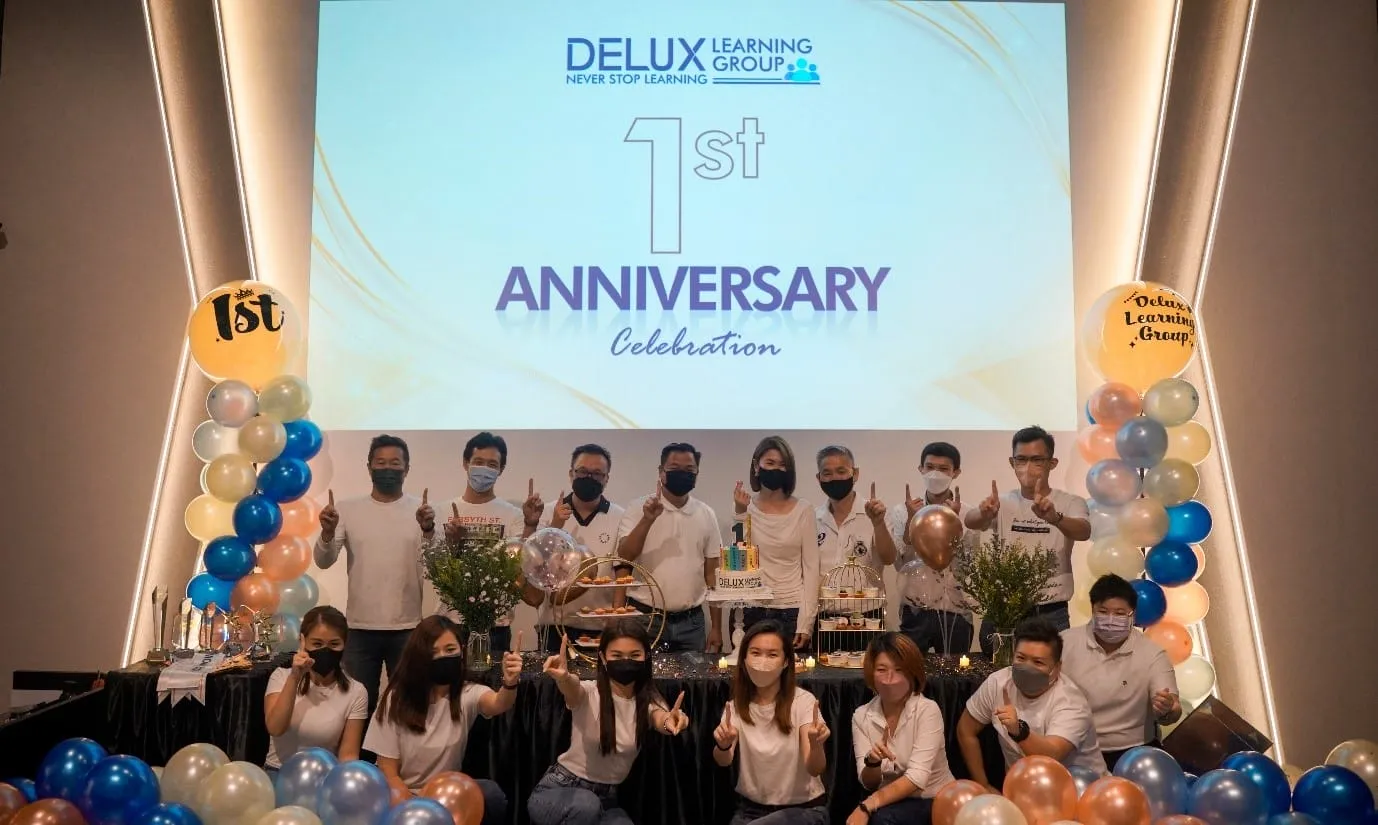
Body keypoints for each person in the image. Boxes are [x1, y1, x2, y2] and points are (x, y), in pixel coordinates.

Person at [315, 434, 433, 718]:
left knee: (406, 706)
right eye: (380, 462)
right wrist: (327, 533)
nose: (387, 469)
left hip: (407, 627)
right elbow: (323, 560)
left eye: (395, 463)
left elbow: (435, 567)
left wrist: (429, 531)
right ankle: (357, 750)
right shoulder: (347, 509)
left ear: (406, 469)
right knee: (357, 709)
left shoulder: (422, 512)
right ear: (369, 467)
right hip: (359, 628)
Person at [363, 615, 522, 824]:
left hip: (447, 795)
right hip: (403, 797)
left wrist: (510, 682)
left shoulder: (467, 693)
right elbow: (388, 772)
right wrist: (417, 810)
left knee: (491, 794)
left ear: (461, 651)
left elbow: (499, 703)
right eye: (433, 652)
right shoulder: (396, 698)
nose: (442, 657)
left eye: (450, 650)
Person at [527, 621, 690, 825]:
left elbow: (661, 718)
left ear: (646, 657)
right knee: (586, 806)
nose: (626, 662)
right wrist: (564, 678)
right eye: (617, 655)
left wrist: (672, 721)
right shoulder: (590, 692)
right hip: (559, 790)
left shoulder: (647, 701)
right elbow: (572, 689)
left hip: (606, 800)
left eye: (634, 655)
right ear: (603, 658)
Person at [964, 426, 1090, 638]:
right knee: (998, 659)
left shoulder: (1070, 502)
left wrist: (1055, 518)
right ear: (1012, 462)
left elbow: (1084, 531)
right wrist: (984, 513)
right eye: (1021, 460)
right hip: (1003, 607)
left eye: (1037, 460)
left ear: (1052, 463)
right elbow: (970, 521)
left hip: (1050, 611)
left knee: (1051, 660)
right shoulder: (1002, 502)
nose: (1028, 467)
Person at [956, 618, 1106, 788]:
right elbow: (965, 729)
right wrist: (983, 785)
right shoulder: (998, 683)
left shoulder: (1071, 703)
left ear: (1057, 668)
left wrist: (1018, 731)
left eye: (1038, 662)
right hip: (1023, 791)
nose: (1027, 667)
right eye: (1021, 658)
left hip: (1081, 790)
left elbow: (1052, 755)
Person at [1059, 574, 1182, 771]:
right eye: (1103, 611)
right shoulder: (1064, 643)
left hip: (1134, 752)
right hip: (1075, 748)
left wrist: (1167, 709)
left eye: (1119, 613)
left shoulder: (1152, 653)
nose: (1110, 620)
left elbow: (1173, 709)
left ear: (1132, 614)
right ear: (1092, 609)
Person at [713, 620, 829, 825]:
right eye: (755, 653)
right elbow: (724, 760)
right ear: (744, 659)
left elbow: (815, 769)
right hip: (749, 811)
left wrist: (816, 745)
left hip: (802, 810)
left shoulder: (803, 701)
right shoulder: (735, 706)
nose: (762, 662)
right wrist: (722, 744)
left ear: (786, 662)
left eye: (772, 655)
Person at [616, 442, 724, 652]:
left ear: (697, 474)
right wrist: (647, 519)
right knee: (642, 673)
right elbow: (624, 556)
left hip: (691, 622)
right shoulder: (638, 508)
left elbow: (712, 574)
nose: (682, 474)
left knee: (693, 674)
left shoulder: (706, 514)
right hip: (645, 618)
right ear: (661, 472)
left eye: (689, 470)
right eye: (674, 469)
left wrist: (717, 628)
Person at [444, 431, 542, 654]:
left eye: (492, 465)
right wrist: (452, 544)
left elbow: (521, 564)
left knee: (494, 676)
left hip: (497, 624)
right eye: (478, 462)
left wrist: (530, 524)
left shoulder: (514, 515)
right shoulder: (442, 510)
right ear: (465, 463)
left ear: (501, 469)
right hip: (451, 622)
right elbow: (434, 565)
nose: (484, 469)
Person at [848, 633, 955, 825]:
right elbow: (868, 783)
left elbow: (916, 778)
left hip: (935, 798)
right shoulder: (861, 716)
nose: (889, 679)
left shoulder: (927, 710)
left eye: (899, 670)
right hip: (890, 801)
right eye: (882, 670)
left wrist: (866, 806)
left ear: (912, 673)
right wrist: (872, 763)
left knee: (881, 820)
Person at [529, 444, 627, 653]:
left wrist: (616, 616)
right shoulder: (547, 511)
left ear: (607, 479)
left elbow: (622, 567)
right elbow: (535, 565)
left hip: (601, 625)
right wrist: (555, 525)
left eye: (597, 474)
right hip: (554, 624)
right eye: (582, 471)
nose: (589, 478)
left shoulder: (620, 516)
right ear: (571, 473)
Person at [733, 436, 820, 649]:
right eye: (770, 463)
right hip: (751, 609)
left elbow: (811, 569)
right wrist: (740, 512)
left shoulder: (804, 509)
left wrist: (806, 622)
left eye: (782, 465)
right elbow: (738, 559)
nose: (776, 470)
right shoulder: (745, 506)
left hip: (791, 611)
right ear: (756, 466)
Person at [263, 606, 368, 775]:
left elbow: (348, 755)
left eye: (334, 644)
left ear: (345, 644)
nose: (325, 650)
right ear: (303, 642)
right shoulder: (281, 677)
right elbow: (275, 728)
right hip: (279, 772)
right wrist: (295, 678)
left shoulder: (356, 691)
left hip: (324, 776)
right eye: (317, 644)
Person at [894, 442, 976, 655]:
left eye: (943, 469)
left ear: (955, 472)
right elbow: (901, 563)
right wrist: (912, 519)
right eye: (930, 467)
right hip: (915, 609)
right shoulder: (903, 511)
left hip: (955, 610)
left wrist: (954, 523)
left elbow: (970, 564)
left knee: (955, 671)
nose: (935, 474)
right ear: (920, 469)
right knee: (910, 669)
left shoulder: (968, 514)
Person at [815, 445, 897, 575]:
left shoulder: (876, 513)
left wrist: (878, 524)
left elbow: (889, 559)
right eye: (827, 473)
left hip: (866, 589)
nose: (835, 478)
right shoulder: (813, 518)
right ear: (819, 478)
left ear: (855, 474)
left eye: (841, 471)